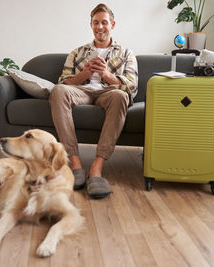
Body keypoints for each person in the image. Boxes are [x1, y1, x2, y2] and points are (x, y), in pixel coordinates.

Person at [49, 3, 138, 199]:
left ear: (112, 24)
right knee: (57, 91)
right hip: (82, 91)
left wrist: (106, 74)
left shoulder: (126, 53)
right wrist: (84, 74)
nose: (100, 27)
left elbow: (131, 86)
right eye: (96, 23)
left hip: (109, 93)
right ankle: (76, 164)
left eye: (104, 23)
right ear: (90, 25)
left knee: (121, 95)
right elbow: (63, 82)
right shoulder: (77, 52)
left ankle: (96, 168)